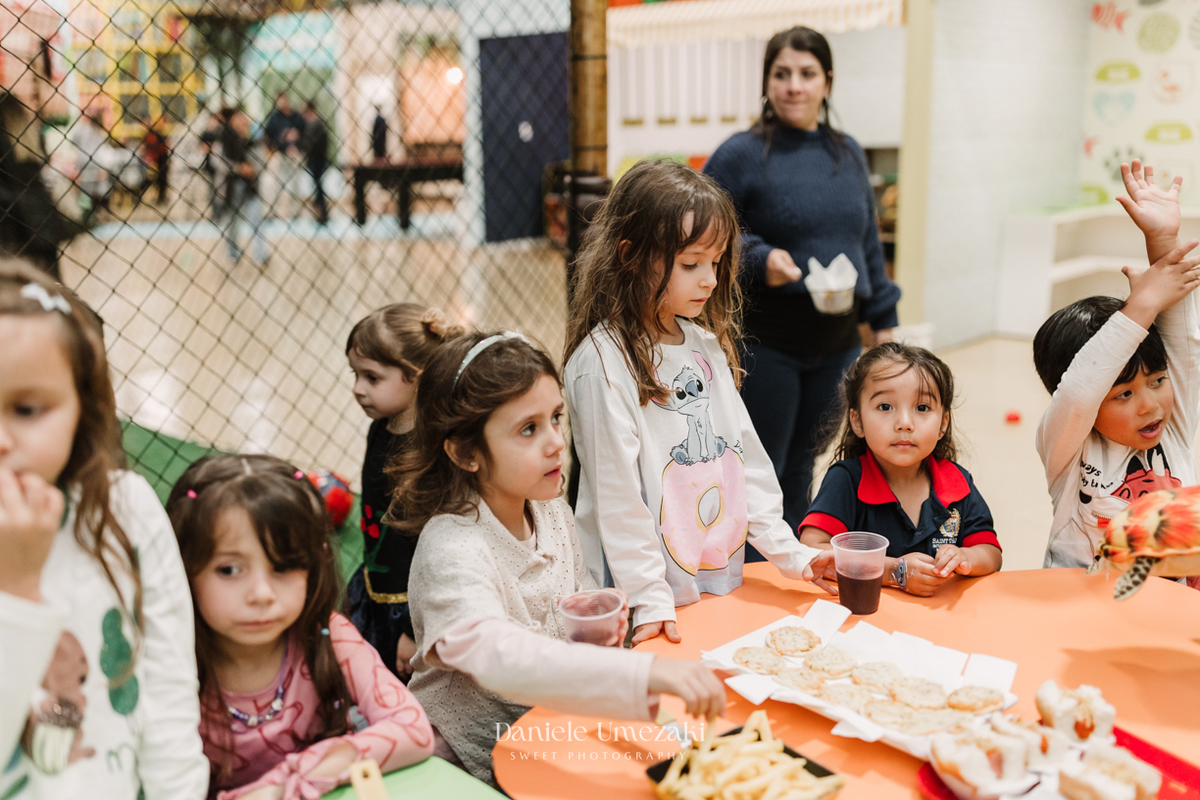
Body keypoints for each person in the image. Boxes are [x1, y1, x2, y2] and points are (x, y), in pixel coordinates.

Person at [397, 331, 727, 786]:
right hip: (465, 765)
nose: (556, 442)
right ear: (465, 452)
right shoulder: (451, 549)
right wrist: (643, 671)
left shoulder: (549, 508)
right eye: (528, 429)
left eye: (555, 417)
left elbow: (577, 604)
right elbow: (496, 656)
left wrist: (601, 618)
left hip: (547, 730)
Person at [562, 159, 836, 647]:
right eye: (690, 265)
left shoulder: (703, 344)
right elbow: (618, 501)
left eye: (715, 262)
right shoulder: (601, 363)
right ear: (631, 255)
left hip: (714, 585)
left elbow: (745, 461)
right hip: (641, 609)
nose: (709, 280)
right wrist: (647, 599)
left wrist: (793, 555)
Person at [0, 259, 207, 799]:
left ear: (81, 411)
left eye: (25, 407)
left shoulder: (126, 509)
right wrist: (16, 589)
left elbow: (166, 688)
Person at [703, 26, 901, 534]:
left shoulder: (848, 153)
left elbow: (868, 243)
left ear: (827, 82)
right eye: (782, 74)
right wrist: (759, 257)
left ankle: (793, 568)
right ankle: (747, 573)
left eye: (807, 74)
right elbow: (704, 231)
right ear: (766, 82)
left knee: (803, 466)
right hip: (766, 345)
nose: (794, 86)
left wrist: (885, 324)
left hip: (837, 348)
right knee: (758, 468)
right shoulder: (742, 153)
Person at [166, 454, 435, 799]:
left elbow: (414, 730)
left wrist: (280, 785)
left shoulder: (329, 634)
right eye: (229, 570)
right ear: (182, 568)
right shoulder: (168, 659)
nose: (261, 595)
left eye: (284, 566)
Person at [1033, 160, 1200, 582]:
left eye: (1157, 382)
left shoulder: (1174, 427)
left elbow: (1181, 347)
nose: (1150, 405)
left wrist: (1162, 240)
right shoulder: (1068, 450)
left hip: (1165, 613)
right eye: (1123, 394)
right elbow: (1081, 389)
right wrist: (1142, 305)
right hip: (1080, 611)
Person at [798, 343, 1003, 596]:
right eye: (885, 407)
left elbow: (990, 552)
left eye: (922, 408)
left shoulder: (957, 481)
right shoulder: (847, 479)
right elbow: (813, 552)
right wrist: (896, 572)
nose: (904, 423)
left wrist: (965, 557)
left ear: (943, 423)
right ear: (857, 421)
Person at [344, 303, 462, 681]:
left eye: (372, 378)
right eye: (355, 375)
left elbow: (438, 552)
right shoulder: (381, 426)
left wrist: (413, 632)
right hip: (379, 583)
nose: (357, 389)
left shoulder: (429, 451)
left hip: (412, 604)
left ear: (417, 377)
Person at [214, 108, 269, 267]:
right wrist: (238, 168)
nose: (243, 123)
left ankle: (261, 255)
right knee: (232, 222)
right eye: (239, 120)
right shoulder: (223, 141)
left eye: (244, 120)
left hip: (251, 187)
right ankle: (233, 253)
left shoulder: (254, 140)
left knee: (256, 219)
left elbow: (261, 160)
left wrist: (252, 169)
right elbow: (217, 161)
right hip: (231, 187)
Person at [262, 92, 304, 218]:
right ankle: (274, 211)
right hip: (279, 153)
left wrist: (297, 142)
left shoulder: (296, 117)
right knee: (275, 183)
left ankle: (296, 211)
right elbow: (267, 136)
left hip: (294, 153)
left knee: (296, 183)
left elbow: (305, 133)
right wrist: (277, 146)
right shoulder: (274, 118)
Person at [70, 113, 112, 220]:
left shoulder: (93, 132)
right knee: (90, 189)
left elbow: (73, 143)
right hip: (89, 164)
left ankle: (95, 213)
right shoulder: (87, 131)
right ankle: (91, 213)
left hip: (89, 164)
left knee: (94, 189)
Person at [300, 101, 330, 225]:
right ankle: (321, 212)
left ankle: (321, 213)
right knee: (318, 187)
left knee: (318, 187)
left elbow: (310, 145)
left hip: (316, 160)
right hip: (318, 160)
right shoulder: (318, 124)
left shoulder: (314, 125)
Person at [140, 117, 170, 206]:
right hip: (153, 161)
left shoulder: (154, 135)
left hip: (160, 160)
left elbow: (162, 148)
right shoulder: (148, 135)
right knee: (151, 179)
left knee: (161, 181)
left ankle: (161, 198)